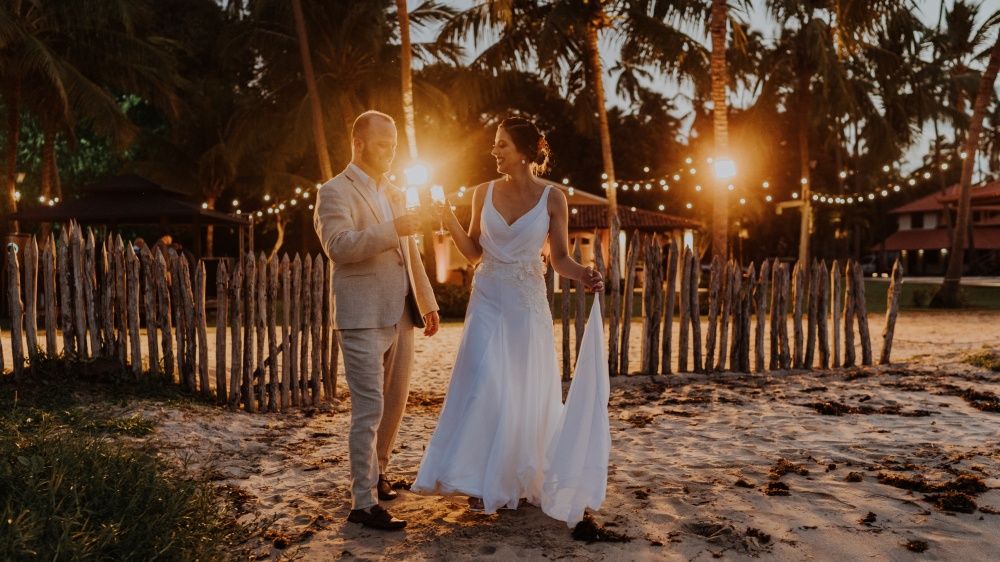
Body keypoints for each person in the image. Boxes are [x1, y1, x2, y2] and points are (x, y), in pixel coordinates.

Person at [412, 117, 609, 523]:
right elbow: (473, 252)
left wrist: (585, 273)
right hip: (486, 297)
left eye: (502, 145)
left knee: (521, 386)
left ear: (524, 151)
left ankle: (512, 479)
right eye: (494, 144)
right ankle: (474, 479)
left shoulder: (553, 199)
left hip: (526, 302)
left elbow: (558, 259)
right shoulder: (482, 193)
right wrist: (446, 217)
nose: (494, 151)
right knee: (483, 381)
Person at [313, 110, 440, 531]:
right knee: (368, 409)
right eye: (383, 143)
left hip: (401, 312)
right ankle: (362, 503)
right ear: (359, 143)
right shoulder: (333, 191)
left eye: (394, 144)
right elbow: (339, 246)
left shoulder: (396, 191)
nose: (391, 152)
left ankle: (379, 473)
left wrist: (427, 302)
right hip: (362, 315)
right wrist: (392, 227)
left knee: (394, 407)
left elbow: (410, 252)